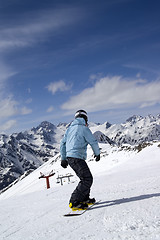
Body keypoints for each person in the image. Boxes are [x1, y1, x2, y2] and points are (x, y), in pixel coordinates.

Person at [60, 110, 100, 210]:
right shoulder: (84, 129)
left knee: (85, 178)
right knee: (87, 179)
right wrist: (97, 154)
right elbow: (93, 141)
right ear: (85, 119)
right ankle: (74, 202)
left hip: (71, 158)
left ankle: (84, 198)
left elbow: (62, 144)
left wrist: (63, 158)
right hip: (77, 157)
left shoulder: (69, 129)